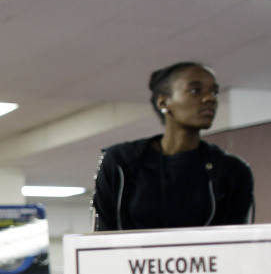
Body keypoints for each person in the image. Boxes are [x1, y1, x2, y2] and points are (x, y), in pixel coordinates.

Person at [93, 61, 255, 231]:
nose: (210, 99)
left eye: (214, 92)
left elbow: (237, 244)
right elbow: (103, 235)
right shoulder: (121, 162)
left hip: (204, 258)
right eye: (195, 91)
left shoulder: (231, 171)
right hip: (131, 258)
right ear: (163, 103)